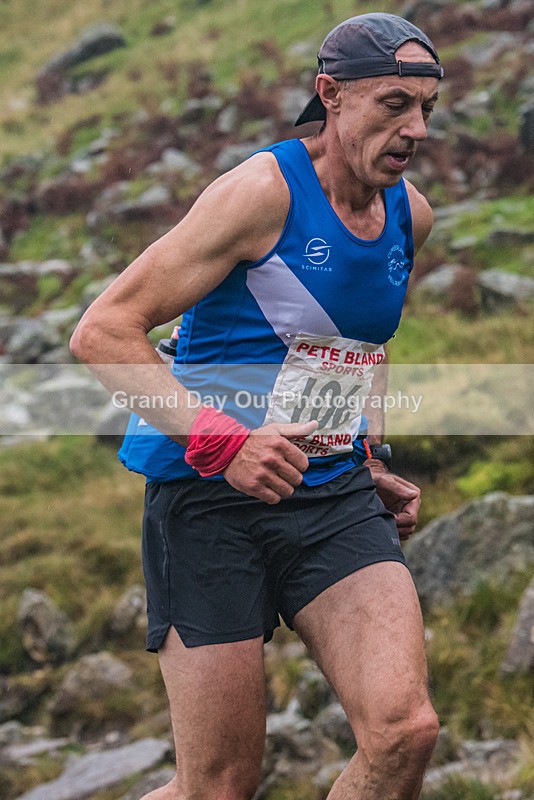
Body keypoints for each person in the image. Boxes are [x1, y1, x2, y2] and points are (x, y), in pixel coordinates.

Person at [71, 12, 443, 800]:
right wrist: (225, 442)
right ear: (330, 96)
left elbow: (360, 343)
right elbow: (103, 332)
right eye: (394, 104)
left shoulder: (410, 214)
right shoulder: (258, 194)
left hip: (331, 497)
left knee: (405, 733)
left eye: (426, 110)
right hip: (208, 500)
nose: (414, 128)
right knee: (219, 784)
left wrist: (369, 456)